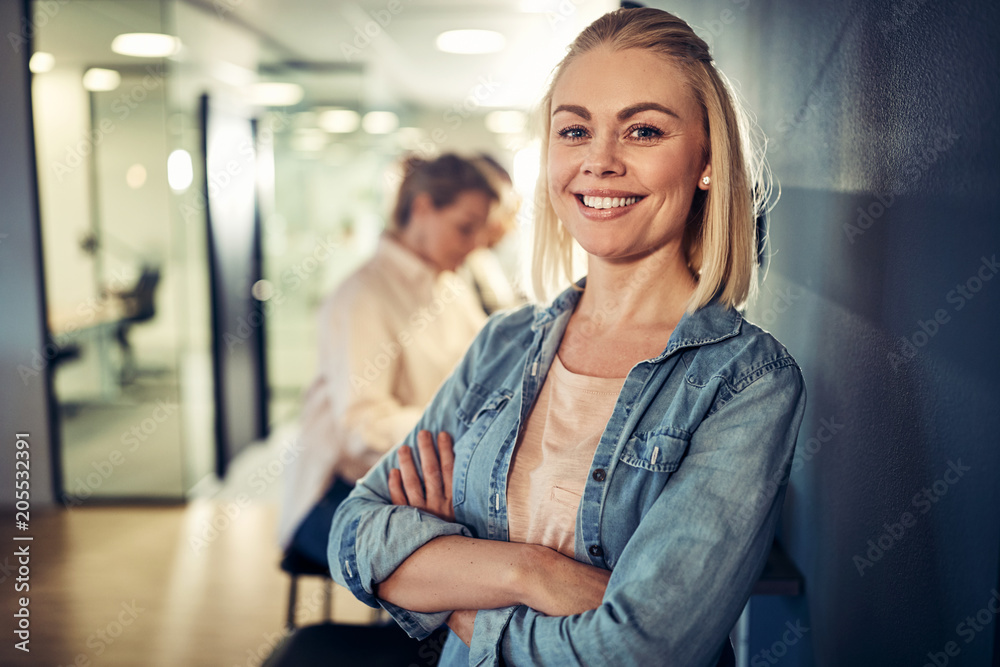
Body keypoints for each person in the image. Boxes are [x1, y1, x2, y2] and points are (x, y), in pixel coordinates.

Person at [328, 8, 807, 666]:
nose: (600, 161)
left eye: (643, 130)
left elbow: (638, 649)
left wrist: (456, 591)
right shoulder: (505, 343)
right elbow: (355, 536)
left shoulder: (746, 381)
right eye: (575, 129)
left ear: (706, 160)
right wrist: (531, 571)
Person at [277, 153, 499, 564]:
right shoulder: (363, 296)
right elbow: (365, 425)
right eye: (464, 229)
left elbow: (487, 374)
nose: (473, 246)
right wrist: (460, 436)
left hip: (413, 481)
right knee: (453, 567)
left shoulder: (450, 288)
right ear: (421, 209)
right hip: (335, 493)